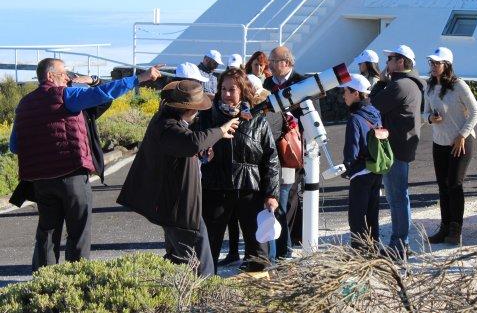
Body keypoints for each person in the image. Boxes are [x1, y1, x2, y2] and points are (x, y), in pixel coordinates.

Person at [10, 58, 161, 271]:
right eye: (64, 73)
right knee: (78, 232)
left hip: (40, 182)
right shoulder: (66, 96)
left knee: (47, 233)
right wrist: (139, 79)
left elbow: (15, 146)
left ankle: (43, 284)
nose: (67, 77)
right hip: (71, 176)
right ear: (51, 76)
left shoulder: (24, 104)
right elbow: (104, 93)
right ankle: (76, 280)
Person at [117, 80, 239, 276]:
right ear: (189, 109)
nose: (199, 113)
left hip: (176, 205)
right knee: (200, 260)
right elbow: (192, 142)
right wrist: (221, 131)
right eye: (197, 108)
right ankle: (205, 299)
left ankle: (181, 297)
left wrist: (201, 157)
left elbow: (187, 148)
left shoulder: (169, 122)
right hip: (178, 207)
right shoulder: (167, 126)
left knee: (180, 259)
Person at [200, 68, 280, 272]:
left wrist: (272, 194)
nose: (227, 94)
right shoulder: (207, 119)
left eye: (232, 89)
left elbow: (270, 160)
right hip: (215, 189)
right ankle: (202, 291)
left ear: (243, 91)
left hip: (250, 192)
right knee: (208, 249)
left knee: (257, 251)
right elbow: (195, 147)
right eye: (223, 89)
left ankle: (257, 295)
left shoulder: (258, 121)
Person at [370, 44, 423, 258]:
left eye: (390, 59)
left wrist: (381, 82)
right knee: (400, 196)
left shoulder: (399, 85)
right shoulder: (412, 83)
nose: (386, 64)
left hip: (396, 148)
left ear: (400, 62)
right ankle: (402, 242)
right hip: (403, 146)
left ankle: (399, 244)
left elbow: (375, 103)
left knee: (397, 197)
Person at [423, 47, 477, 246]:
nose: (432, 66)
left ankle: (456, 229)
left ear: (446, 65)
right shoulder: (428, 86)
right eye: (431, 63)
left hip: (460, 141)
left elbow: (475, 112)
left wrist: (462, 135)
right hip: (439, 141)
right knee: (442, 186)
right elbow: (424, 113)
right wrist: (430, 118)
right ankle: (445, 227)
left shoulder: (459, 85)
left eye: (436, 63)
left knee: (454, 183)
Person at [262, 46, 310, 259]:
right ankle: (283, 244)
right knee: (279, 195)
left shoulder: (302, 82)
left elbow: (311, 115)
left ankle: (286, 244)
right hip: (272, 148)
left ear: (287, 63)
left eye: (274, 60)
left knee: (289, 196)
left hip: (293, 149)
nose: (269, 64)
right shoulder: (267, 84)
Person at [341, 74, 383, 249]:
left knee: (357, 217)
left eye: (346, 92)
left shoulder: (355, 118)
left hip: (360, 172)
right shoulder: (375, 113)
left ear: (356, 93)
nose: (343, 95)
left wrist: (347, 167)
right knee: (372, 214)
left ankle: (360, 252)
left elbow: (352, 150)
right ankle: (373, 248)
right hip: (375, 169)